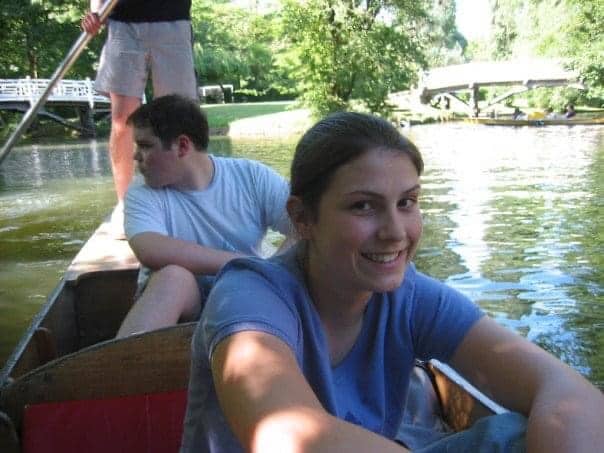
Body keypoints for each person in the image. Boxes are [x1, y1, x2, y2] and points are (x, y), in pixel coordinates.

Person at [181, 112, 604, 452]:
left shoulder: (410, 295)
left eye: (407, 202)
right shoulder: (249, 295)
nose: (395, 231)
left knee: (515, 433)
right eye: (363, 206)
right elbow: (286, 435)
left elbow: (565, 390)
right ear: (303, 218)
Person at [117, 94, 290, 338]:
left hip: (243, 293)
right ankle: (122, 370)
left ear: (183, 146)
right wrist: (248, 264)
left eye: (145, 146)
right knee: (172, 277)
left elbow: (308, 224)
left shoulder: (252, 177)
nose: (135, 156)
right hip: (183, 303)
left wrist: (276, 268)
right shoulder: (142, 192)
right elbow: (150, 248)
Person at [81, 0, 198, 235]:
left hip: (173, 21)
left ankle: (184, 201)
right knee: (122, 120)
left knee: (178, 119)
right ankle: (126, 206)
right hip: (123, 24)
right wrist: (96, 11)